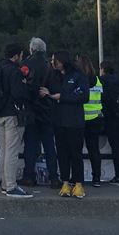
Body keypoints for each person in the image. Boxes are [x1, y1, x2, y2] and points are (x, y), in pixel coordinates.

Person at [41, 50, 88, 199]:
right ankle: (65, 182)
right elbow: (48, 93)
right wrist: (47, 94)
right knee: (62, 153)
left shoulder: (78, 75)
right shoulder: (52, 75)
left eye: (55, 60)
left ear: (63, 61)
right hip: (58, 120)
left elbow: (83, 96)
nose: (52, 63)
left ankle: (78, 183)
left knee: (76, 153)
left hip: (74, 121)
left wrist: (62, 97)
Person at [0, 43, 34, 198]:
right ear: (17, 55)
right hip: (13, 114)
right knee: (12, 151)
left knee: (4, 150)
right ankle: (11, 186)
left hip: (0, 113)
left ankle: (4, 183)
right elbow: (18, 93)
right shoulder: (14, 71)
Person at [20, 37, 60, 189]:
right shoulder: (50, 66)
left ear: (31, 49)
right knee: (49, 146)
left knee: (30, 146)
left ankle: (29, 176)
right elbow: (56, 87)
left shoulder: (25, 65)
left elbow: (22, 88)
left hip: (30, 110)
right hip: (47, 109)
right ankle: (54, 178)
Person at [77, 55, 104, 187]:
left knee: (77, 150)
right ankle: (97, 178)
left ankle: (78, 178)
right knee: (94, 150)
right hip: (95, 118)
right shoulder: (98, 81)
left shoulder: (78, 80)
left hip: (80, 118)